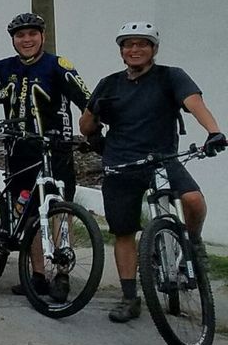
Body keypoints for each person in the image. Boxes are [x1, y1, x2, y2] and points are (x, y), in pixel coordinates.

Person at [80, 22, 225, 323]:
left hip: (162, 159)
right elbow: (86, 123)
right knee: (123, 232)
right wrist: (94, 128)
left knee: (193, 199)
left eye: (142, 44)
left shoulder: (171, 76)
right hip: (121, 163)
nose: (135, 49)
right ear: (121, 51)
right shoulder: (109, 84)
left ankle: (192, 242)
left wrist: (214, 132)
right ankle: (129, 297)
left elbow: (194, 103)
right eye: (128, 44)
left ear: (154, 49)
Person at [0, 12, 90, 299]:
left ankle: (62, 274)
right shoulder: (2, 68)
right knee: (29, 215)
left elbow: (86, 100)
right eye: (20, 35)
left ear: (43, 36)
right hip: (20, 151)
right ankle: (38, 276)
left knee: (60, 211)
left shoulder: (58, 66)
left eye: (32, 34)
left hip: (57, 150)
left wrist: (94, 132)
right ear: (13, 40)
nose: (26, 40)